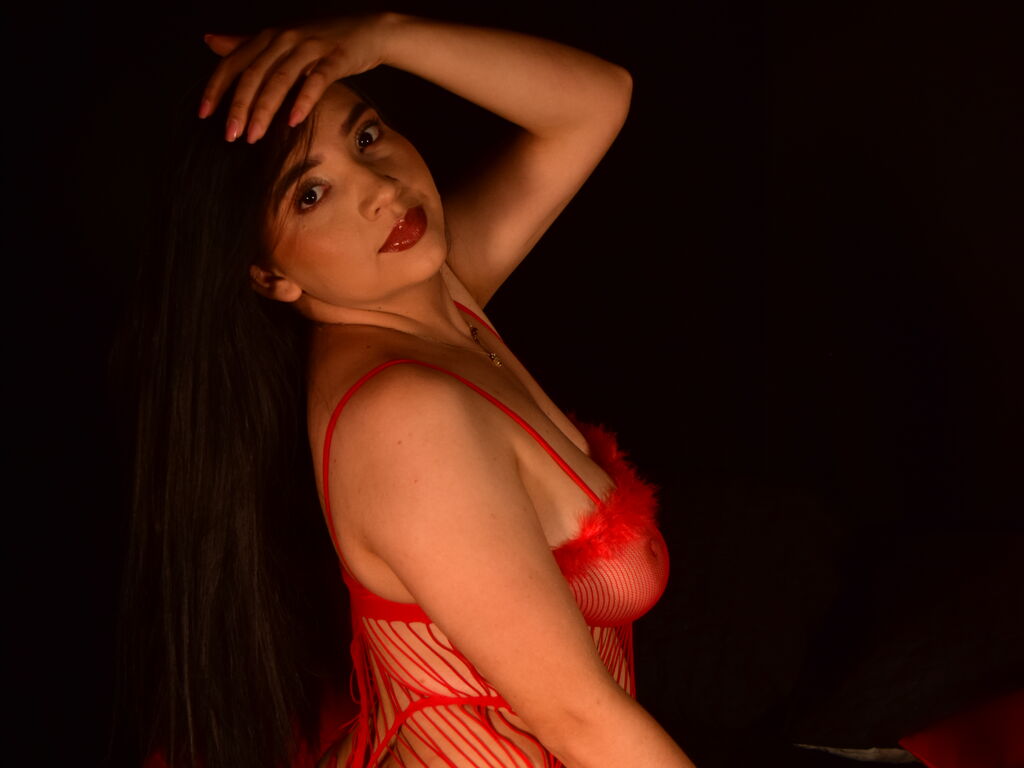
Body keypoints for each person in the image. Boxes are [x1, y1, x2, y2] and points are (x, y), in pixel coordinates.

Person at [121, 11, 691, 768]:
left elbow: (594, 101)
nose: (383, 190)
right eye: (311, 194)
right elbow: (581, 722)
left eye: (365, 137)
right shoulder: (404, 416)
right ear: (269, 275)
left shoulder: (437, 295)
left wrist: (384, 35)